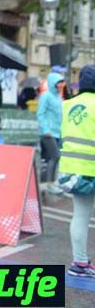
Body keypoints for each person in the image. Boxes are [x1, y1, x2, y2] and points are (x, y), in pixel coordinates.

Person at [58, 65, 95, 278]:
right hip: (92, 168)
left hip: (72, 170)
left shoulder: (67, 105)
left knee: (80, 216)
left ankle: (79, 263)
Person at [36, 71, 65, 197]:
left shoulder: (59, 97)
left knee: (50, 159)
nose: (61, 85)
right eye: (59, 82)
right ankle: (50, 183)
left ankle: (49, 183)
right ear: (53, 83)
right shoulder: (45, 96)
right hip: (47, 133)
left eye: (62, 82)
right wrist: (45, 129)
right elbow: (40, 113)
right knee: (56, 156)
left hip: (57, 133)